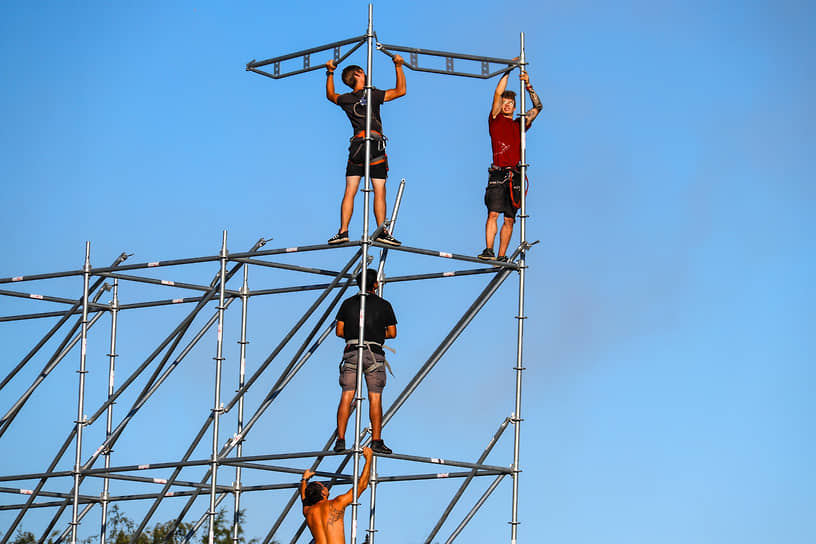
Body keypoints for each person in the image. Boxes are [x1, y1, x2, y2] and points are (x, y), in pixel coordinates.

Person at [324, 54, 407, 247]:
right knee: (379, 190)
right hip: (374, 145)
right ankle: (381, 231)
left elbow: (330, 96)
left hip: (357, 148)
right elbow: (401, 91)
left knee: (350, 190)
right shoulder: (373, 94)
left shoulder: (346, 99)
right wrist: (398, 66)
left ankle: (343, 231)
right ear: (359, 74)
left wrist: (330, 72)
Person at [477, 68, 543, 262]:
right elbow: (497, 94)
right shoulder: (495, 121)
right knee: (493, 213)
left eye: (510, 103)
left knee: (509, 218)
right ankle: (489, 250)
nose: (506, 105)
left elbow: (538, 107)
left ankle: (501, 255)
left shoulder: (519, 124)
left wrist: (528, 85)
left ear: (515, 107)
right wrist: (508, 70)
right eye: (504, 103)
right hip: (498, 174)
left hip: (515, 176)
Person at [334, 269, 397, 455]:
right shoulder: (384, 305)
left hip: (352, 351)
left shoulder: (347, 304)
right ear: (375, 285)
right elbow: (392, 333)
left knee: (347, 395)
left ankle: (340, 439)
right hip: (374, 353)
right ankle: (376, 440)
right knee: (375, 397)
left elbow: (339, 331)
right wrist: (377, 333)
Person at [301, 446, 374, 544]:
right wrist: (368, 459)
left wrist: (304, 480)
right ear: (323, 493)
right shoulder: (336, 503)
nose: (327, 487)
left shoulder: (309, 512)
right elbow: (362, 486)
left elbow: (304, 499)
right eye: (324, 486)